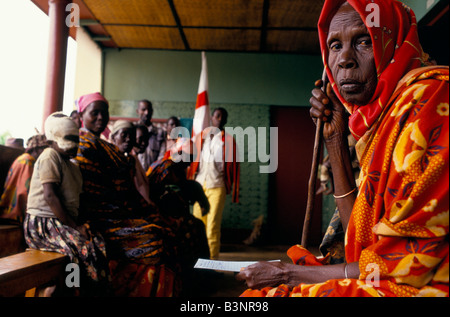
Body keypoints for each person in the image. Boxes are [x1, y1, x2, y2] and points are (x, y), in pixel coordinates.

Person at [237, 0, 448, 297]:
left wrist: (290, 273)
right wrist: (334, 141)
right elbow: (359, 247)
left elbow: (395, 266)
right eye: (334, 46)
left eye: (364, 41)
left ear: (393, 45)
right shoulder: (381, 120)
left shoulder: (428, 103)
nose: (345, 59)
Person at [75, 92, 181, 297]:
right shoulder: (81, 145)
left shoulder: (107, 147)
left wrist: (149, 209)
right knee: (156, 239)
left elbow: (127, 189)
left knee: (167, 230)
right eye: (94, 113)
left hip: (119, 213)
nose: (99, 117)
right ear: (82, 116)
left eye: (103, 113)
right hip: (99, 218)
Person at [24, 113, 110, 296]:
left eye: (76, 139)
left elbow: (78, 200)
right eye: (69, 139)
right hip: (43, 225)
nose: (75, 144)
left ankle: (81, 290)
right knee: (83, 249)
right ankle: (74, 291)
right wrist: (76, 227)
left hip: (62, 223)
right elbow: (50, 196)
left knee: (98, 243)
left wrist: (83, 224)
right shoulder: (50, 156)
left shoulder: (73, 166)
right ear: (52, 139)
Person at [187, 107, 240, 260]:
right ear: (211, 118)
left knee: (212, 226)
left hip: (217, 186)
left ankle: (212, 264)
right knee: (197, 225)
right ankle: (197, 263)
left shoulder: (228, 141)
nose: (219, 118)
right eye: (217, 115)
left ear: (225, 120)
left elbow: (233, 165)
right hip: (199, 186)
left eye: (223, 116)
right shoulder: (201, 139)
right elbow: (192, 160)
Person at [0, 134, 48, 223]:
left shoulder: (23, 158)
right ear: (36, 149)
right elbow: (26, 191)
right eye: (44, 149)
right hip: (16, 214)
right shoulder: (28, 160)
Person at [109, 119, 152, 205]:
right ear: (113, 137)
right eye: (124, 135)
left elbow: (139, 187)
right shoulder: (108, 159)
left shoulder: (131, 160)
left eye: (131, 136)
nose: (128, 139)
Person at [135, 99, 166, 171]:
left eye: (149, 110)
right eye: (143, 110)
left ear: (152, 112)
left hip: (153, 175)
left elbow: (161, 156)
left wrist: (152, 172)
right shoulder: (132, 130)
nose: (146, 112)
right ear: (137, 111)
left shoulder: (160, 132)